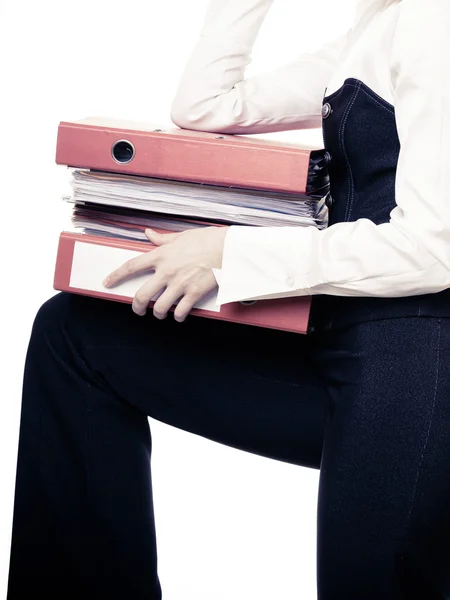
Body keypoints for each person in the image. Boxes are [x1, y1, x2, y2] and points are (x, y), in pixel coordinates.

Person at [7, 0, 450, 598]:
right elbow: (205, 108)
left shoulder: (432, 19)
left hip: (418, 362)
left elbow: (433, 247)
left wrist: (229, 256)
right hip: (336, 346)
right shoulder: (366, 32)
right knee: (77, 336)